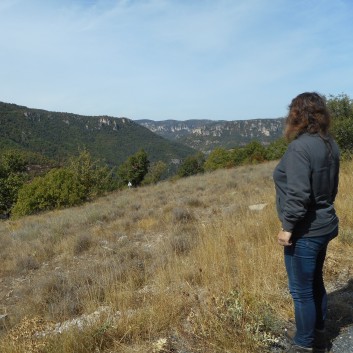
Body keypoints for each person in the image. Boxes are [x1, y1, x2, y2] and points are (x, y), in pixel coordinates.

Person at [273, 92, 340, 353]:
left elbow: (299, 194)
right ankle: (318, 334)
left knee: (301, 291)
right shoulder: (329, 143)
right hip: (325, 223)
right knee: (315, 282)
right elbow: (331, 187)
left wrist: (287, 227)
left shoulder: (300, 147)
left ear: (297, 115)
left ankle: (303, 344)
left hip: (306, 231)